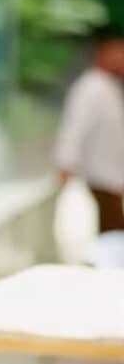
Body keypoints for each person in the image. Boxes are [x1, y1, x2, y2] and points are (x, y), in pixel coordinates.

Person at [55, 35, 124, 234]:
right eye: (117, 53)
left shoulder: (111, 87)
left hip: (111, 178)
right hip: (97, 178)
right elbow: (74, 126)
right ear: (101, 54)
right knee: (110, 236)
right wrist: (66, 163)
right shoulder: (90, 87)